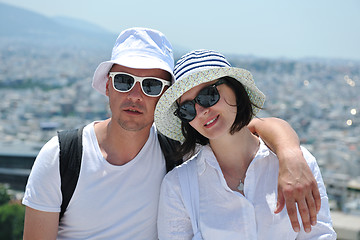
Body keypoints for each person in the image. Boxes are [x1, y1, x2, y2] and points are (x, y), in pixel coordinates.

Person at [22, 28, 320, 239]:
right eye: (124, 81)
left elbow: (241, 130)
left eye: (150, 85)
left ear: (164, 98)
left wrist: (290, 152)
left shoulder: (176, 152)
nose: (135, 95)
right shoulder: (62, 156)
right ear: (108, 86)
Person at [155, 49, 336, 239]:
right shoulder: (178, 186)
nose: (201, 111)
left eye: (208, 95)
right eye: (187, 108)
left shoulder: (298, 164)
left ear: (235, 89)